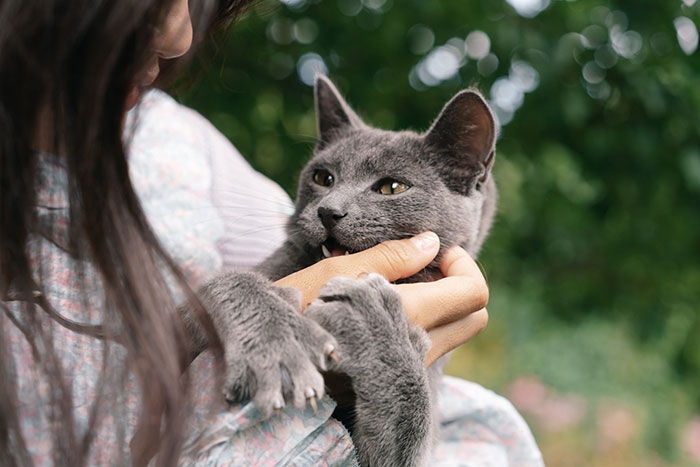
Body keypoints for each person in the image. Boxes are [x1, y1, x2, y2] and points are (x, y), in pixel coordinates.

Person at [0, 0, 543, 465]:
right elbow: (172, 344)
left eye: (390, 188)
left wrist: (397, 369)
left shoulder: (186, 149)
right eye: (324, 177)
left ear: (469, 179)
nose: (331, 204)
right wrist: (242, 296)